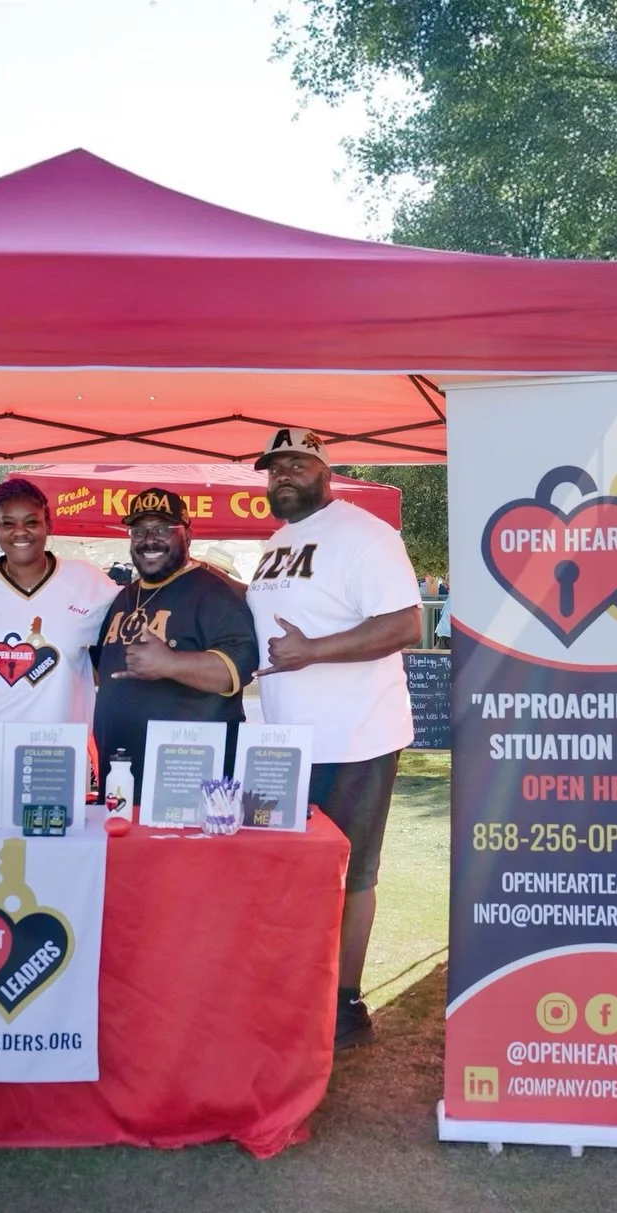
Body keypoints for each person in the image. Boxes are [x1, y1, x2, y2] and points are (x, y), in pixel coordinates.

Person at [246, 428, 422, 1050]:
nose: (283, 476)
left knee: (351, 874)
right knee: (294, 871)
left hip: (356, 736)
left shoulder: (365, 534)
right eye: (274, 468)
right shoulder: (277, 542)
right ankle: (302, 988)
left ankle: (347, 1004)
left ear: (325, 470)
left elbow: (407, 623)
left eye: (297, 464)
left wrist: (313, 652)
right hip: (286, 743)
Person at [92, 488, 258, 790]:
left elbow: (238, 668)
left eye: (162, 529)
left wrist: (169, 664)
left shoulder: (213, 593)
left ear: (188, 536)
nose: (149, 540)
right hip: (120, 778)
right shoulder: (124, 597)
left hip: (185, 781)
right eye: (139, 531)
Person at [0, 478, 119, 723]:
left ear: (48, 524)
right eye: (8, 523)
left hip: (55, 750)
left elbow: (134, 616)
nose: (20, 531)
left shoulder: (86, 580)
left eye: (31, 522)